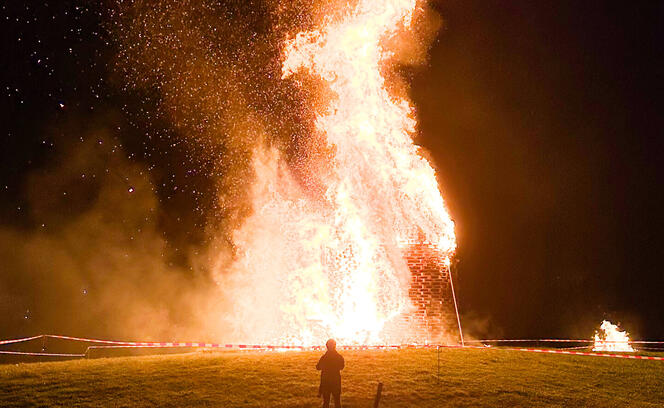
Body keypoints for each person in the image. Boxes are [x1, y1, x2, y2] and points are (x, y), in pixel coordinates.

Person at [316, 338, 345, 408]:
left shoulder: (324, 357)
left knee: (326, 402)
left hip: (325, 381)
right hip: (336, 381)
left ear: (327, 346)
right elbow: (342, 367)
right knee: (337, 401)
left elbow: (318, 367)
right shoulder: (339, 357)